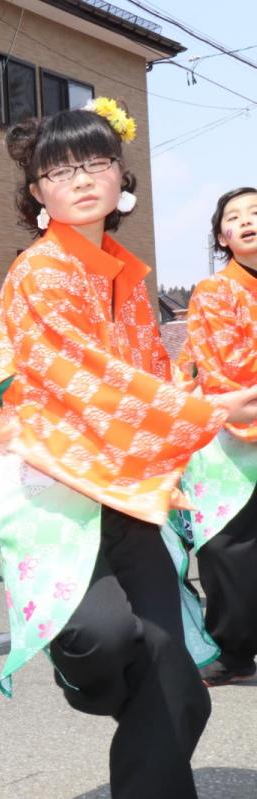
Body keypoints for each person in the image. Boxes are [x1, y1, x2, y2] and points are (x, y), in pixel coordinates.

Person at [0, 99, 257, 798]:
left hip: (124, 491)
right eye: (59, 169)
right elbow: (82, 380)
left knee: (177, 685)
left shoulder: (127, 276)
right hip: (50, 489)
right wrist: (206, 407)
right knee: (103, 639)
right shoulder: (39, 271)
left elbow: (150, 375)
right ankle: (83, 670)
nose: (81, 178)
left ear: (120, 174)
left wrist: (170, 462)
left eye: (95, 162)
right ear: (37, 192)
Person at [175, 186, 257, 687]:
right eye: (235, 216)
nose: (247, 221)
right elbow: (226, 372)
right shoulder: (214, 293)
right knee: (232, 547)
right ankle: (233, 647)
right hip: (232, 437)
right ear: (222, 236)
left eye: (256, 212)